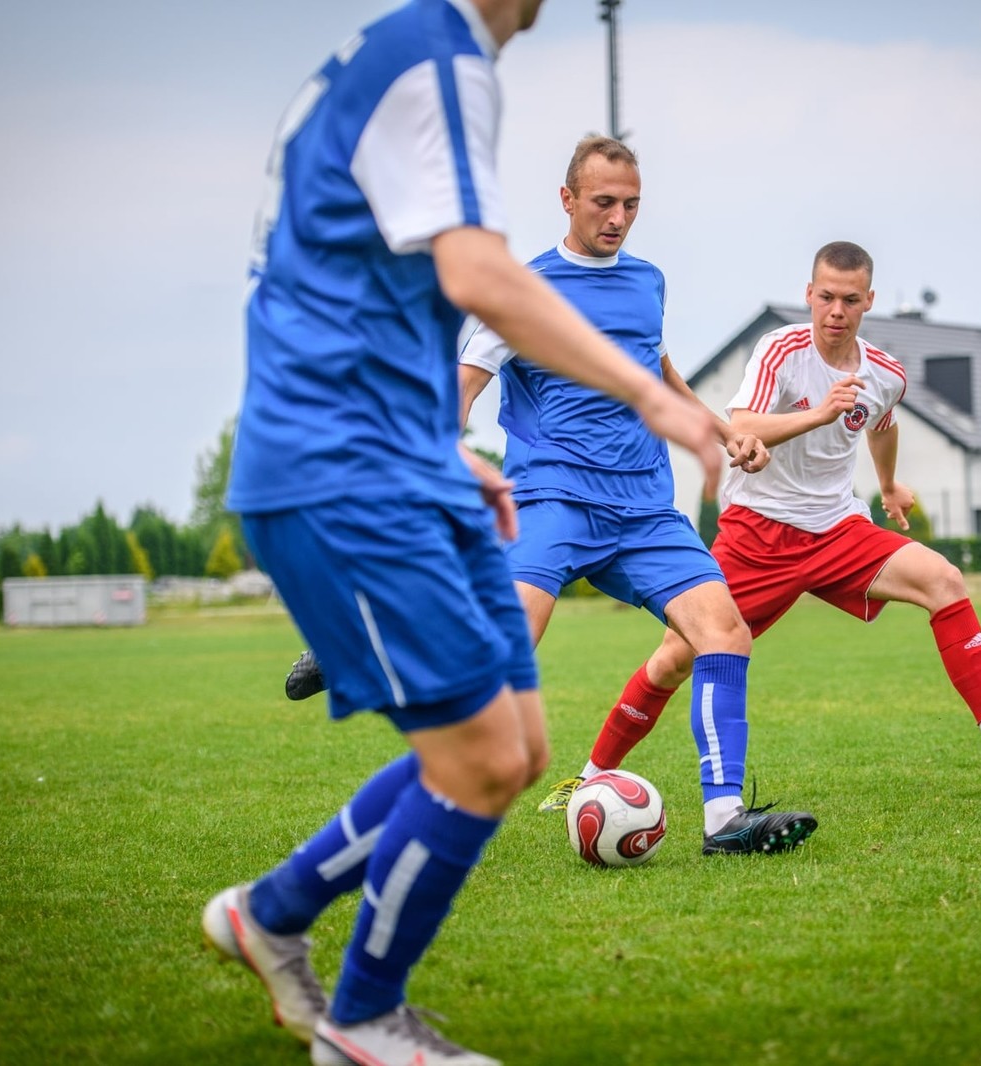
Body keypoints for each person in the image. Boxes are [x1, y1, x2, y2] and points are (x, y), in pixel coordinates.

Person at [200, 4, 722, 1066]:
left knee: (517, 747)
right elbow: (482, 279)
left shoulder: (408, 56)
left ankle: (271, 912)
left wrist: (443, 449)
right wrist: (651, 395)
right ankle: (362, 1019)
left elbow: (390, 285)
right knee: (481, 756)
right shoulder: (443, 61)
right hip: (338, 460)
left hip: (382, 451)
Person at [287, 134, 819, 858]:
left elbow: (656, 368)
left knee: (724, 631)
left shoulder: (648, 281)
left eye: (631, 204)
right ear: (566, 199)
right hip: (553, 499)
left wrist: (723, 431)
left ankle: (725, 820)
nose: (618, 218)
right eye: (603, 202)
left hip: (643, 507)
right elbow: (459, 395)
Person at [546, 241, 981, 807]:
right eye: (826, 297)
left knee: (943, 579)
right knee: (675, 658)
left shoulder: (886, 373)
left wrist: (889, 484)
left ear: (869, 300)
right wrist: (821, 413)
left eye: (850, 299)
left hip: (837, 530)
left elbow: (882, 424)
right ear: (809, 295)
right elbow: (743, 426)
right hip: (757, 534)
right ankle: (591, 775)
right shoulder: (781, 350)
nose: (836, 311)